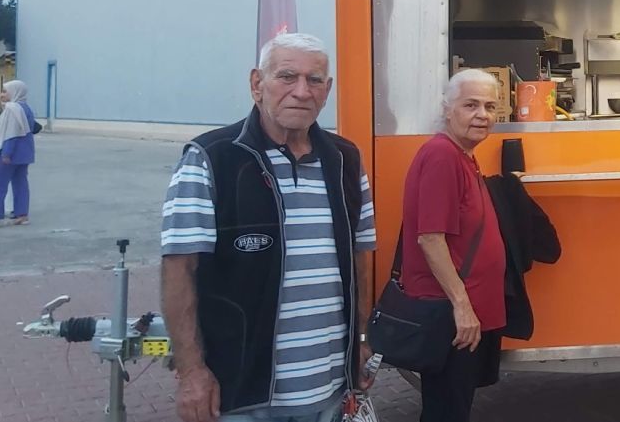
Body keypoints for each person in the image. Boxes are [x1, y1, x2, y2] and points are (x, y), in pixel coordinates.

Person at [160, 33, 376, 422]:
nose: (302, 91)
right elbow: (180, 269)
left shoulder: (345, 159)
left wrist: (360, 340)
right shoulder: (211, 158)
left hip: (330, 389)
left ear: (327, 90)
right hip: (244, 395)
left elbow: (361, 257)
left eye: (314, 80)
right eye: (287, 76)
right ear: (257, 84)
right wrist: (192, 371)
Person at [399, 68, 510, 422]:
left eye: (490, 107)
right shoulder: (442, 155)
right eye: (470, 105)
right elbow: (430, 239)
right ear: (447, 110)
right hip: (451, 317)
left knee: (452, 407)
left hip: (463, 315)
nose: (482, 115)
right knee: (447, 411)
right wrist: (462, 307)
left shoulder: (463, 155)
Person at [0, 80, 35, 228]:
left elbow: (11, 133)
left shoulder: (12, 108)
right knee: (20, 183)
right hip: (25, 153)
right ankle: (22, 215)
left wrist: (6, 153)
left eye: (4, 91)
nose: (1, 94)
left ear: (14, 92)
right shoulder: (26, 108)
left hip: (10, 153)